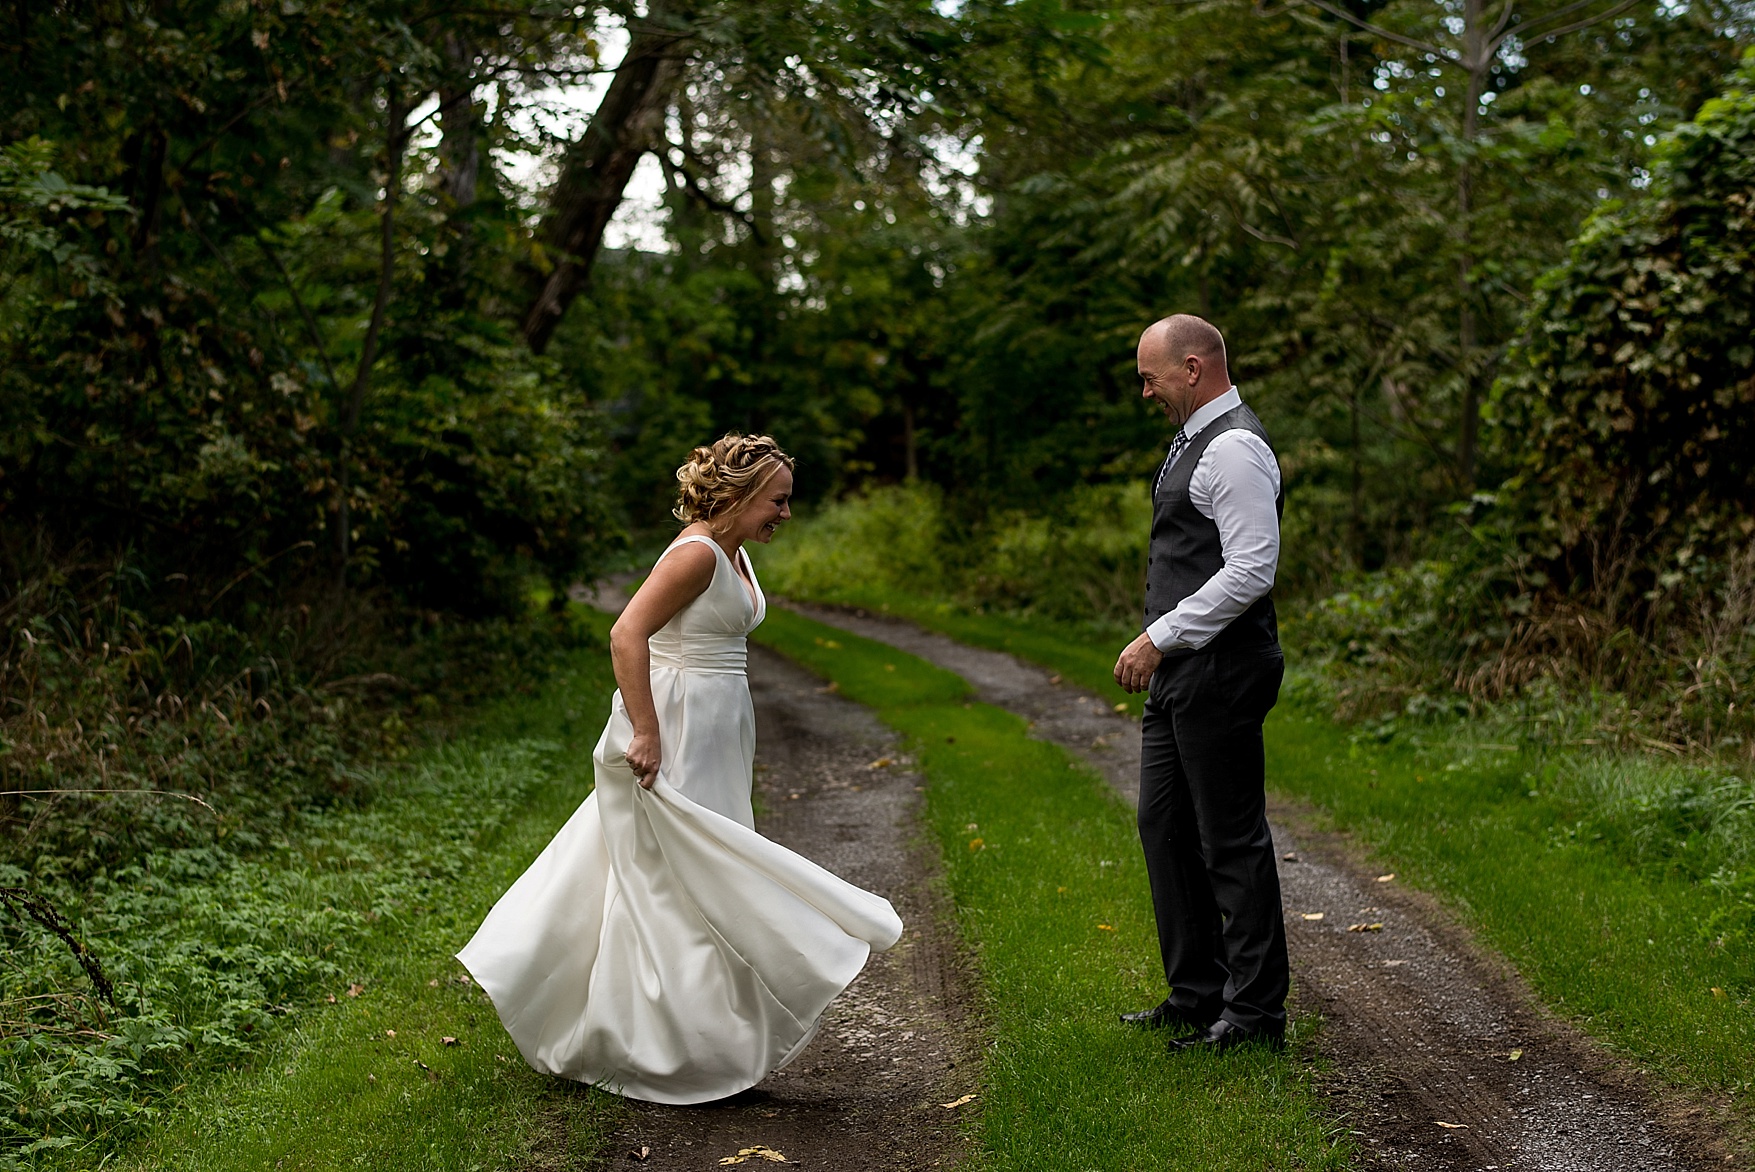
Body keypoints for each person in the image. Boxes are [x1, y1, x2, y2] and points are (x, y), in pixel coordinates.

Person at [458, 433, 903, 1104]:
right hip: (678, 724)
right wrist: (644, 730)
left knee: (702, 871)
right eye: (777, 502)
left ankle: (699, 1035)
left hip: (721, 727)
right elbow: (625, 634)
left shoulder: (735, 550)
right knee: (674, 875)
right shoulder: (696, 553)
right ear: (742, 494)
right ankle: (653, 1041)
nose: (784, 514)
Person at [1112, 314, 1290, 1052]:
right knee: (1163, 825)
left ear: (1192, 367)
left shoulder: (1236, 447)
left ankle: (1252, 1018)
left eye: (1149, 376)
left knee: (1228, 841)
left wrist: (1160, 635)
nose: (1143, 390)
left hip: (1219, 667)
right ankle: (1194, 994)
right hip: (1186, 671)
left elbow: (1251, 568)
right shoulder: (1192, 441)